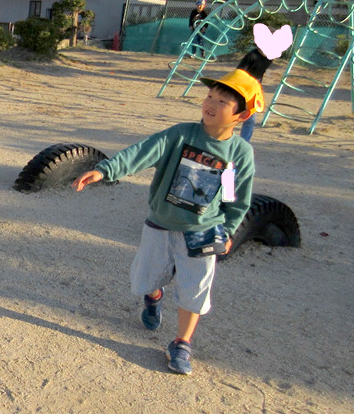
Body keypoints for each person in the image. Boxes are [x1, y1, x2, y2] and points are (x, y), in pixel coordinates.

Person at [72, 68, 259, 375]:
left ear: (240, 115)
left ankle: (182, 343)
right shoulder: (181, 135)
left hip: (203, 230)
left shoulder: (239, 153)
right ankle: (153, 298)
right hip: (161, 222)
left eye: (223, 101)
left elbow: (234, 196)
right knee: (146, 279)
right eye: (210, 95)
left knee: (195, 288)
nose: (211, 102)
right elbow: (144, 152)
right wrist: (105, 170)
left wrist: (227, 229)